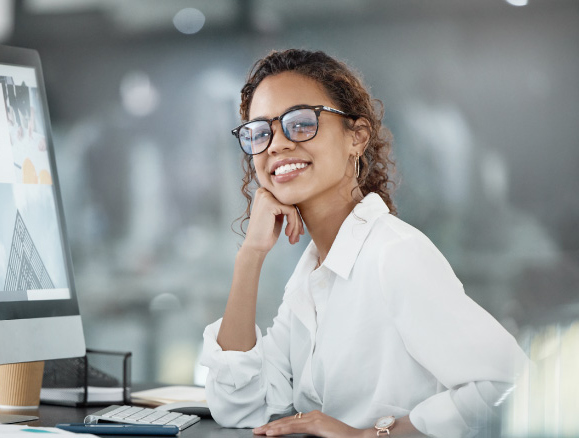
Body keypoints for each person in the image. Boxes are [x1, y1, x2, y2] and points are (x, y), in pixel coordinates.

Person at [200, 49, 528, 438]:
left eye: (301, 123)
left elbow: (509, 381)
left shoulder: (393, 254)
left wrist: (370, 435)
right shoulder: (313, 275)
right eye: (260, 132)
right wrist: (250, 256)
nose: (276, 145)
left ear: (356, 137)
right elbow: (240, 407)